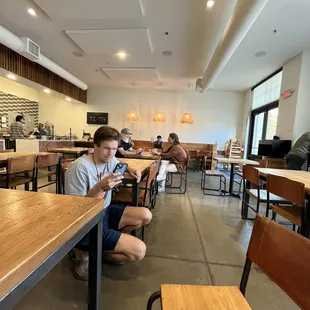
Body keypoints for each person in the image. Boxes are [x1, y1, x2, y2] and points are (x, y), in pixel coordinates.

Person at [65, 126, 152, 280]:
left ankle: (97, 250)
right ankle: (83, 254)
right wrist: (99, 187)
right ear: (95, 146)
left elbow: (118, 162)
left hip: (104, 211)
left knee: (145, 214)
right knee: (139, 251)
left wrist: (130, 169)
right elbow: (74, 210)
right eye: (106, 148)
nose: (111, 153)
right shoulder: (79, 168)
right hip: (88, 221)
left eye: (114, 149)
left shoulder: (110, 159)